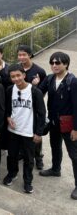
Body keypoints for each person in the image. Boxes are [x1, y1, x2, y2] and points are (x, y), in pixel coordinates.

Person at [39, 52, 77, 200]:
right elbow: (38, 92)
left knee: (74, 155)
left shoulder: (73, 82)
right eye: (52, 63)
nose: (54, 65)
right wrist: (34, 85)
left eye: (58, 63)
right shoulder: (49, 79)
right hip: (54, 122)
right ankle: (56, 169)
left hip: (69, 125)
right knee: (55, 146)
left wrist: (75, 128)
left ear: (66, 64)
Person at [4, 64, 46, 194]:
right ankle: (12, 173)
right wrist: (8, 117)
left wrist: (39, 133)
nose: (16, 78)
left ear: (24, 75)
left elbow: (42, 113)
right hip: (13, 130)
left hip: (29, 132)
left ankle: (28, 182)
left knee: (28, 159)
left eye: (18, 75)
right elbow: (7, 107)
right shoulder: (10, 90)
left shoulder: (35, 91)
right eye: (13, 76)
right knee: (12, 156)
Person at [17, 45, 47, 170]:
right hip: (21, 106)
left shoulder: (39, 71)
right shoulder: (17, 69)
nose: (22, 57)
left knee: (36, 133)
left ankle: (38, 157)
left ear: (30, 55)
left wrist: (36, 86)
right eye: (19, 55)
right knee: (22, 130)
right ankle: (22, 153)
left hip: (34, 107)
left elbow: (43, 91)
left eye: (24, 54)